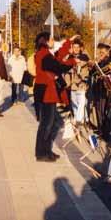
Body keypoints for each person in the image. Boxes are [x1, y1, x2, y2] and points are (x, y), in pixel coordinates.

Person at [34, 32, 76, 162]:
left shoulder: (45, 54)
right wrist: (73, 61)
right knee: (46, 124)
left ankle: (46, 150)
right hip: (46, 93)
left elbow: (57, 57)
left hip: (45, 92)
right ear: (46, 41)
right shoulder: (44, 55)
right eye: (51, 39)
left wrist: (68, 42)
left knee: (53, 122)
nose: (53, 41)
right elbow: (58, 66)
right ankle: (41, 153)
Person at [65, 39, 90, 124]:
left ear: (80, 48)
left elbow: (84, 63)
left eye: (77, 47)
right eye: (74, 47)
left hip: (81, 85)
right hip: (72, 85)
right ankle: (79, 121)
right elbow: (64, 66)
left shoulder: (84, 57)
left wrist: (76, 62)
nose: (76, 49)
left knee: (82, 103)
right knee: (74, 104)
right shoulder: (70, 57)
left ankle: (79, 121)